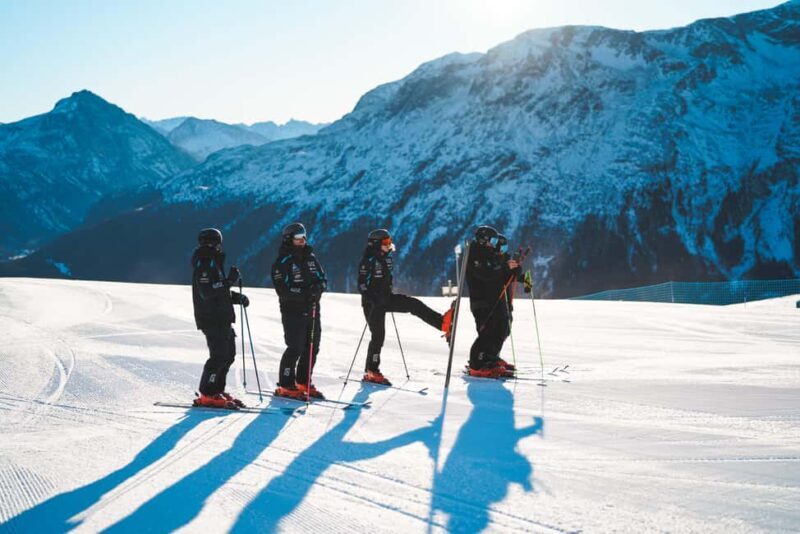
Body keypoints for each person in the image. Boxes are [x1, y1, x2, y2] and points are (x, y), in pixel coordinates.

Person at [357, 229, 454, 386]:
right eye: (385, 243)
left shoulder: (387, 259)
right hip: (372, 304)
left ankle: (442, 323)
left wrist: (385, 294)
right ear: (376, 244)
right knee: (378, 336)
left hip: (387, 299)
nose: (389, 245)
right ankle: (371, 371)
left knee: (413, 304)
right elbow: (361, 285)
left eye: (389, 242)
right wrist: (374, 299)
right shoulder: (368, 261)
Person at [191, 228, 249, 407]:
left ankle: (216, 390)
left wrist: (234, 297)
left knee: (228, 355)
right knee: (219, 356)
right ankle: (207, 393)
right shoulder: (204, 262)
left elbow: (217, 290)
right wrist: (229, 281)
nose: (214, 245)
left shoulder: (212, 262)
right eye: (211, 242)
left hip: (221, 315)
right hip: (211, 317)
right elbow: (207, 291)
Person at [271, 222, 327, 399]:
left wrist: (318, 289)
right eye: (298, 237)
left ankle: (303, 381)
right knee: (295, 347)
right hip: (292, 310)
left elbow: (322, 278)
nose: (302, 240)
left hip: (312, 308)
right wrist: (305, 294)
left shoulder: (311, 258)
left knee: (312, 347)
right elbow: (283, 290)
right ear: (289, 240)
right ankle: (286, 384)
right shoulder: (282, 262)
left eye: (304, 236)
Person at [465, 225, 522, 378]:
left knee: (501, 328)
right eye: (492, 240)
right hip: (481, 299)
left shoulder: (488, 253)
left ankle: (490, 358)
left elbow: (498, 273)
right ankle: (477, 364)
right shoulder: (474, 253)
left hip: (494, 298)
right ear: (483, 239)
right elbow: (485, 273)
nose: (494, 244)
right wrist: (505, 268)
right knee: (487, 331)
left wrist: (512, 271)